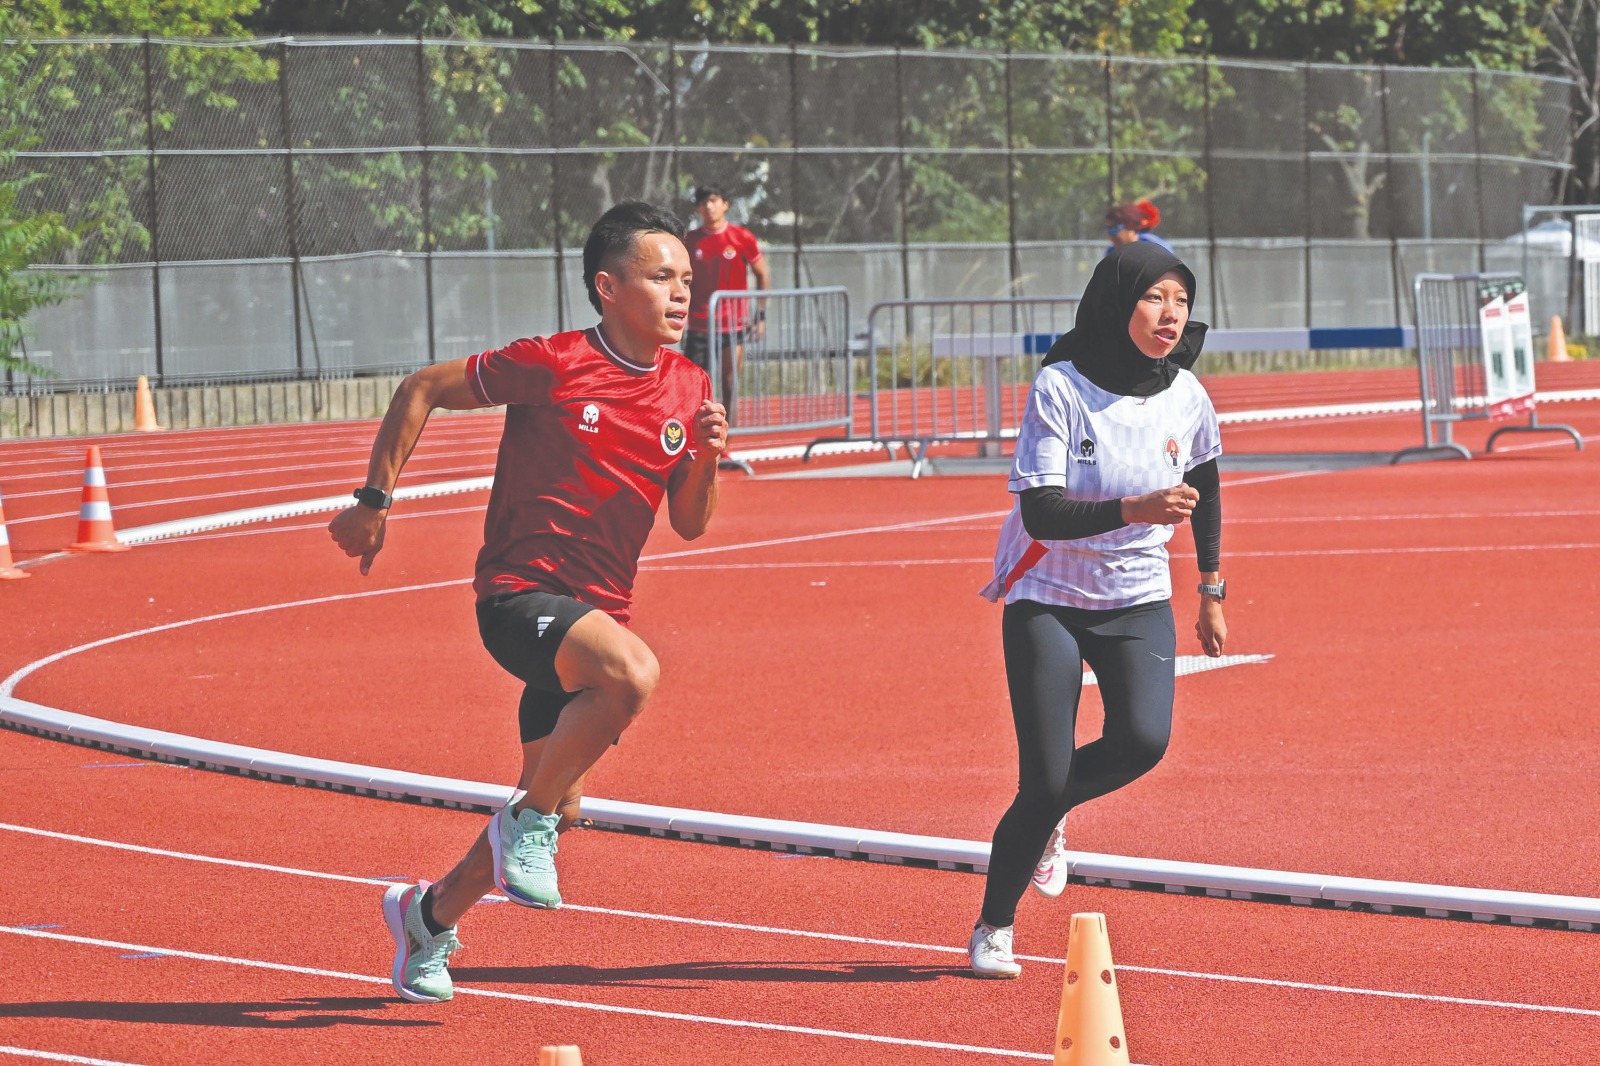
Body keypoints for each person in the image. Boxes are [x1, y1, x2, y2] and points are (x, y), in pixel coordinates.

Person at [327, 201, 728, 1004]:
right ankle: (526, 829)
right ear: (607, 287)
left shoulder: (689, 386)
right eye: (661, 278)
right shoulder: (553, 363)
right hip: (519, 598)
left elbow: (688, 524)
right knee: (636, 676)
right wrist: (375, 499)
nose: (682, 293)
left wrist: (708, 460)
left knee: (558, 798)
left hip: (592, 620)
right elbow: (423, 388)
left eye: (687, 279)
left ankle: (427, 920)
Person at [966, 241, 1227, 978]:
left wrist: (1211, 589)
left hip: (1137, 594)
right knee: (1043, 781)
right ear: (1118, 302)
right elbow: (1043, 515)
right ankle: (995, 925)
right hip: (1048, 594)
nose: (1170, 314)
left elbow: (1208, 486)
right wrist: (1133, 506)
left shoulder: (1187, 396)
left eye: (1180, 299)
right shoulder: (1061, 386)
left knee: (1144, 740)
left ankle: (1047, 818)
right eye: (1154, 298)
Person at [683, 184, 770, 423]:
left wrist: (760, 317)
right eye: (703, 203)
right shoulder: (690, 241)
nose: (708, 207)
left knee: (730, 384)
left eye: (713, 200)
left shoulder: (741, 237)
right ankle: (695, 441)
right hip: (699, 326)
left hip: (733, 327)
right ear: (698, 209)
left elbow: (762, 274)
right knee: (695, 388)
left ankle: (725, 442)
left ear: (725, 204)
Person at [1105, 199, 1174, 255]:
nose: (1110, 234)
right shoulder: (1112, 252)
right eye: (1107, 229)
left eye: (1114, 229)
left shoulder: (1157, 248)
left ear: (1131, 228)